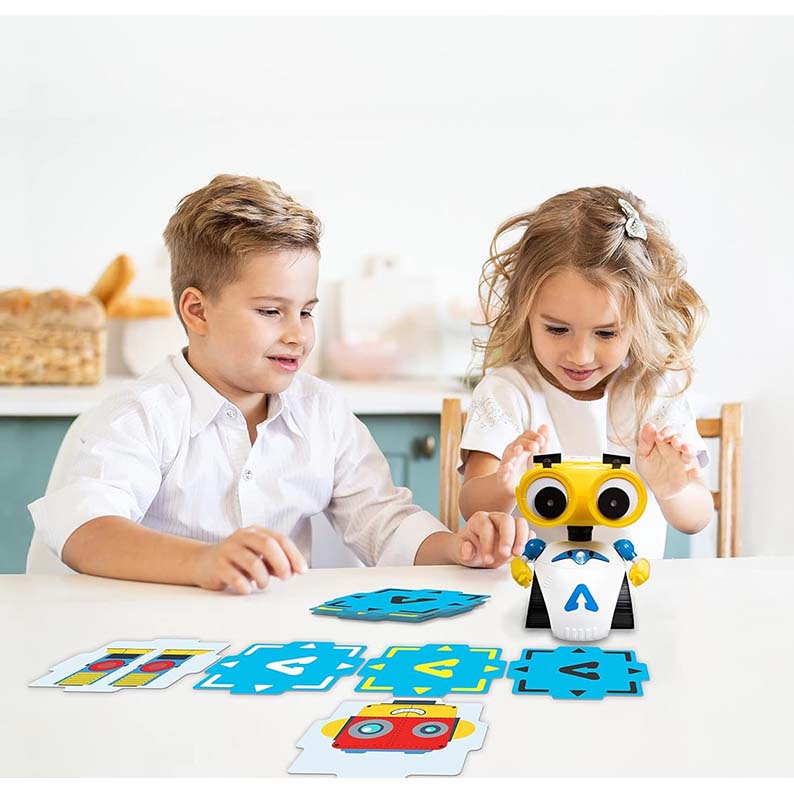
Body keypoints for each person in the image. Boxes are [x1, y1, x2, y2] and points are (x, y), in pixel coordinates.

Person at [27, 174, 529, 591]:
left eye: (306, 311)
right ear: (197, 311)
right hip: (151, 642)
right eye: (271, 311)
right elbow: (86, 530)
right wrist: (203, 562)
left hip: (267, 646)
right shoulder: (140, 415)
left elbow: (386, 523)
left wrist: (457, 548)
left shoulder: (323, 413)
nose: (297, 334)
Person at [458, 186, 713, 559]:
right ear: (524, 311)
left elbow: (697, 518)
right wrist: (503, 484)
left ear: (638, 322)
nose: (580, 355)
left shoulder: (654, 392)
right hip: (528, 584)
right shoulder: (507, 392)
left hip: (630, 586)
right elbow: (471, 506)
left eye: (606, 333)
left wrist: (673, 490)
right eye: (557, 329)